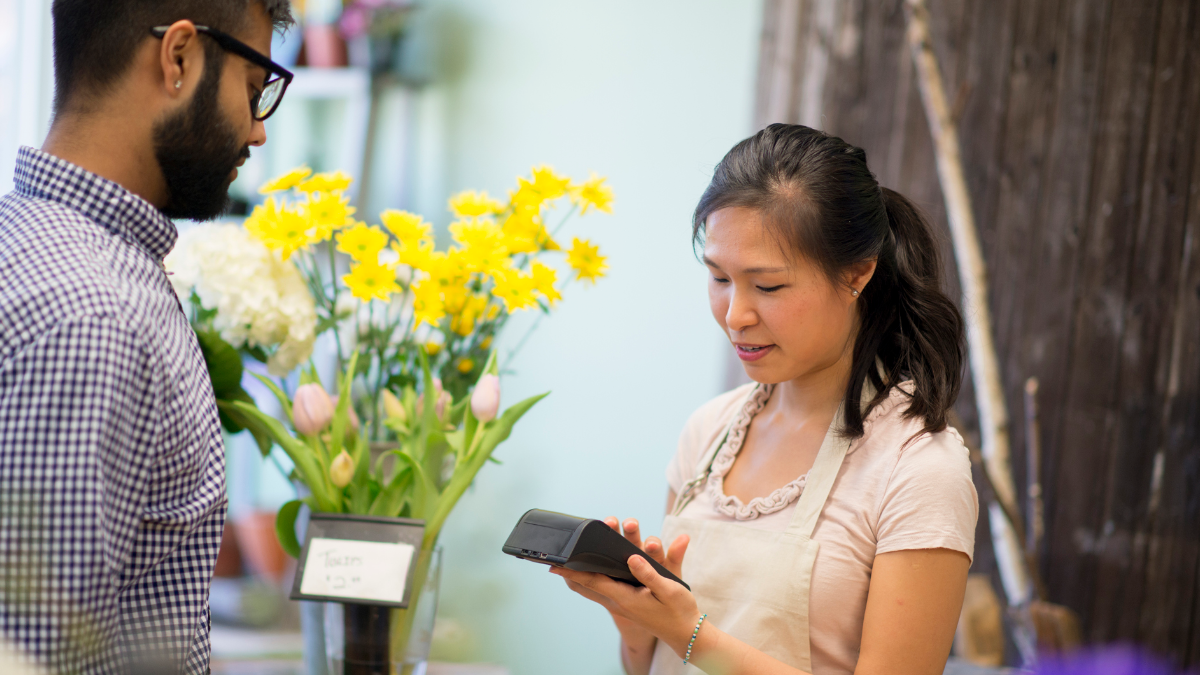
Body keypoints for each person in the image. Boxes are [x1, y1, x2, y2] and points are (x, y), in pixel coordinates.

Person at [552, 124, 979, 675]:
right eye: (718, 278)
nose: (736, 316)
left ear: (857, 273)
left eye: (768, 286)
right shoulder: (709, 431)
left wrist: (688, 635)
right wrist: (641, 630)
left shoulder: (918, 467)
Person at [0, 1, 293, 672]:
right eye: (253, 90)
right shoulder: (93, 317)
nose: (257, 131)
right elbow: (41, 654)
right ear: (178, 57)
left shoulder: (30, 242)